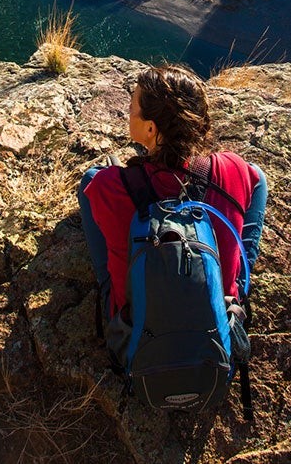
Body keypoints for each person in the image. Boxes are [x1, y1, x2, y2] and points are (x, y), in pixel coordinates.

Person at [77, 63, 268, 360]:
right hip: (216, 335)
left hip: (135, 335)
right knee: (258, 176)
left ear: (151, 129)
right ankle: (235, 290)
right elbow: (256, 179)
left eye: (132, 107)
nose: (128, 112)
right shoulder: (232, 170)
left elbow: (103, 190)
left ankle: (112, 300)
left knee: (89, 178)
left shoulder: (107, 186)